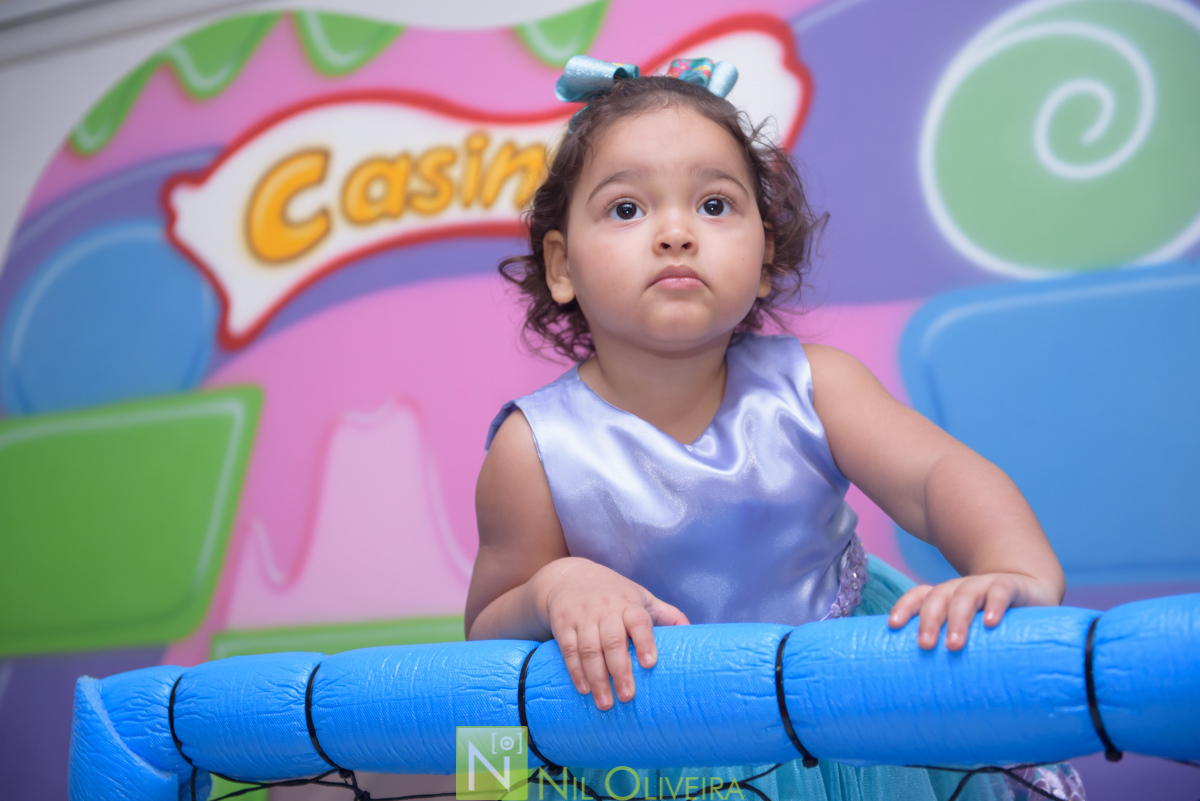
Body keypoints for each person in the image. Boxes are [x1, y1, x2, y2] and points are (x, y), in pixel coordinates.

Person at [464, 56, 1085, 801]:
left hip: (847, 723)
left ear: (764, 257)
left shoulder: (814, 385)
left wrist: (1010, 565)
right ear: (560, 264)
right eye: (627, 209)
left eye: (715, 206)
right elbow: (485, 646)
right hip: (649, 746)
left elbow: (935, 477)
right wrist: (553, 586)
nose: (675, 233)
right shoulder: (533, 448)